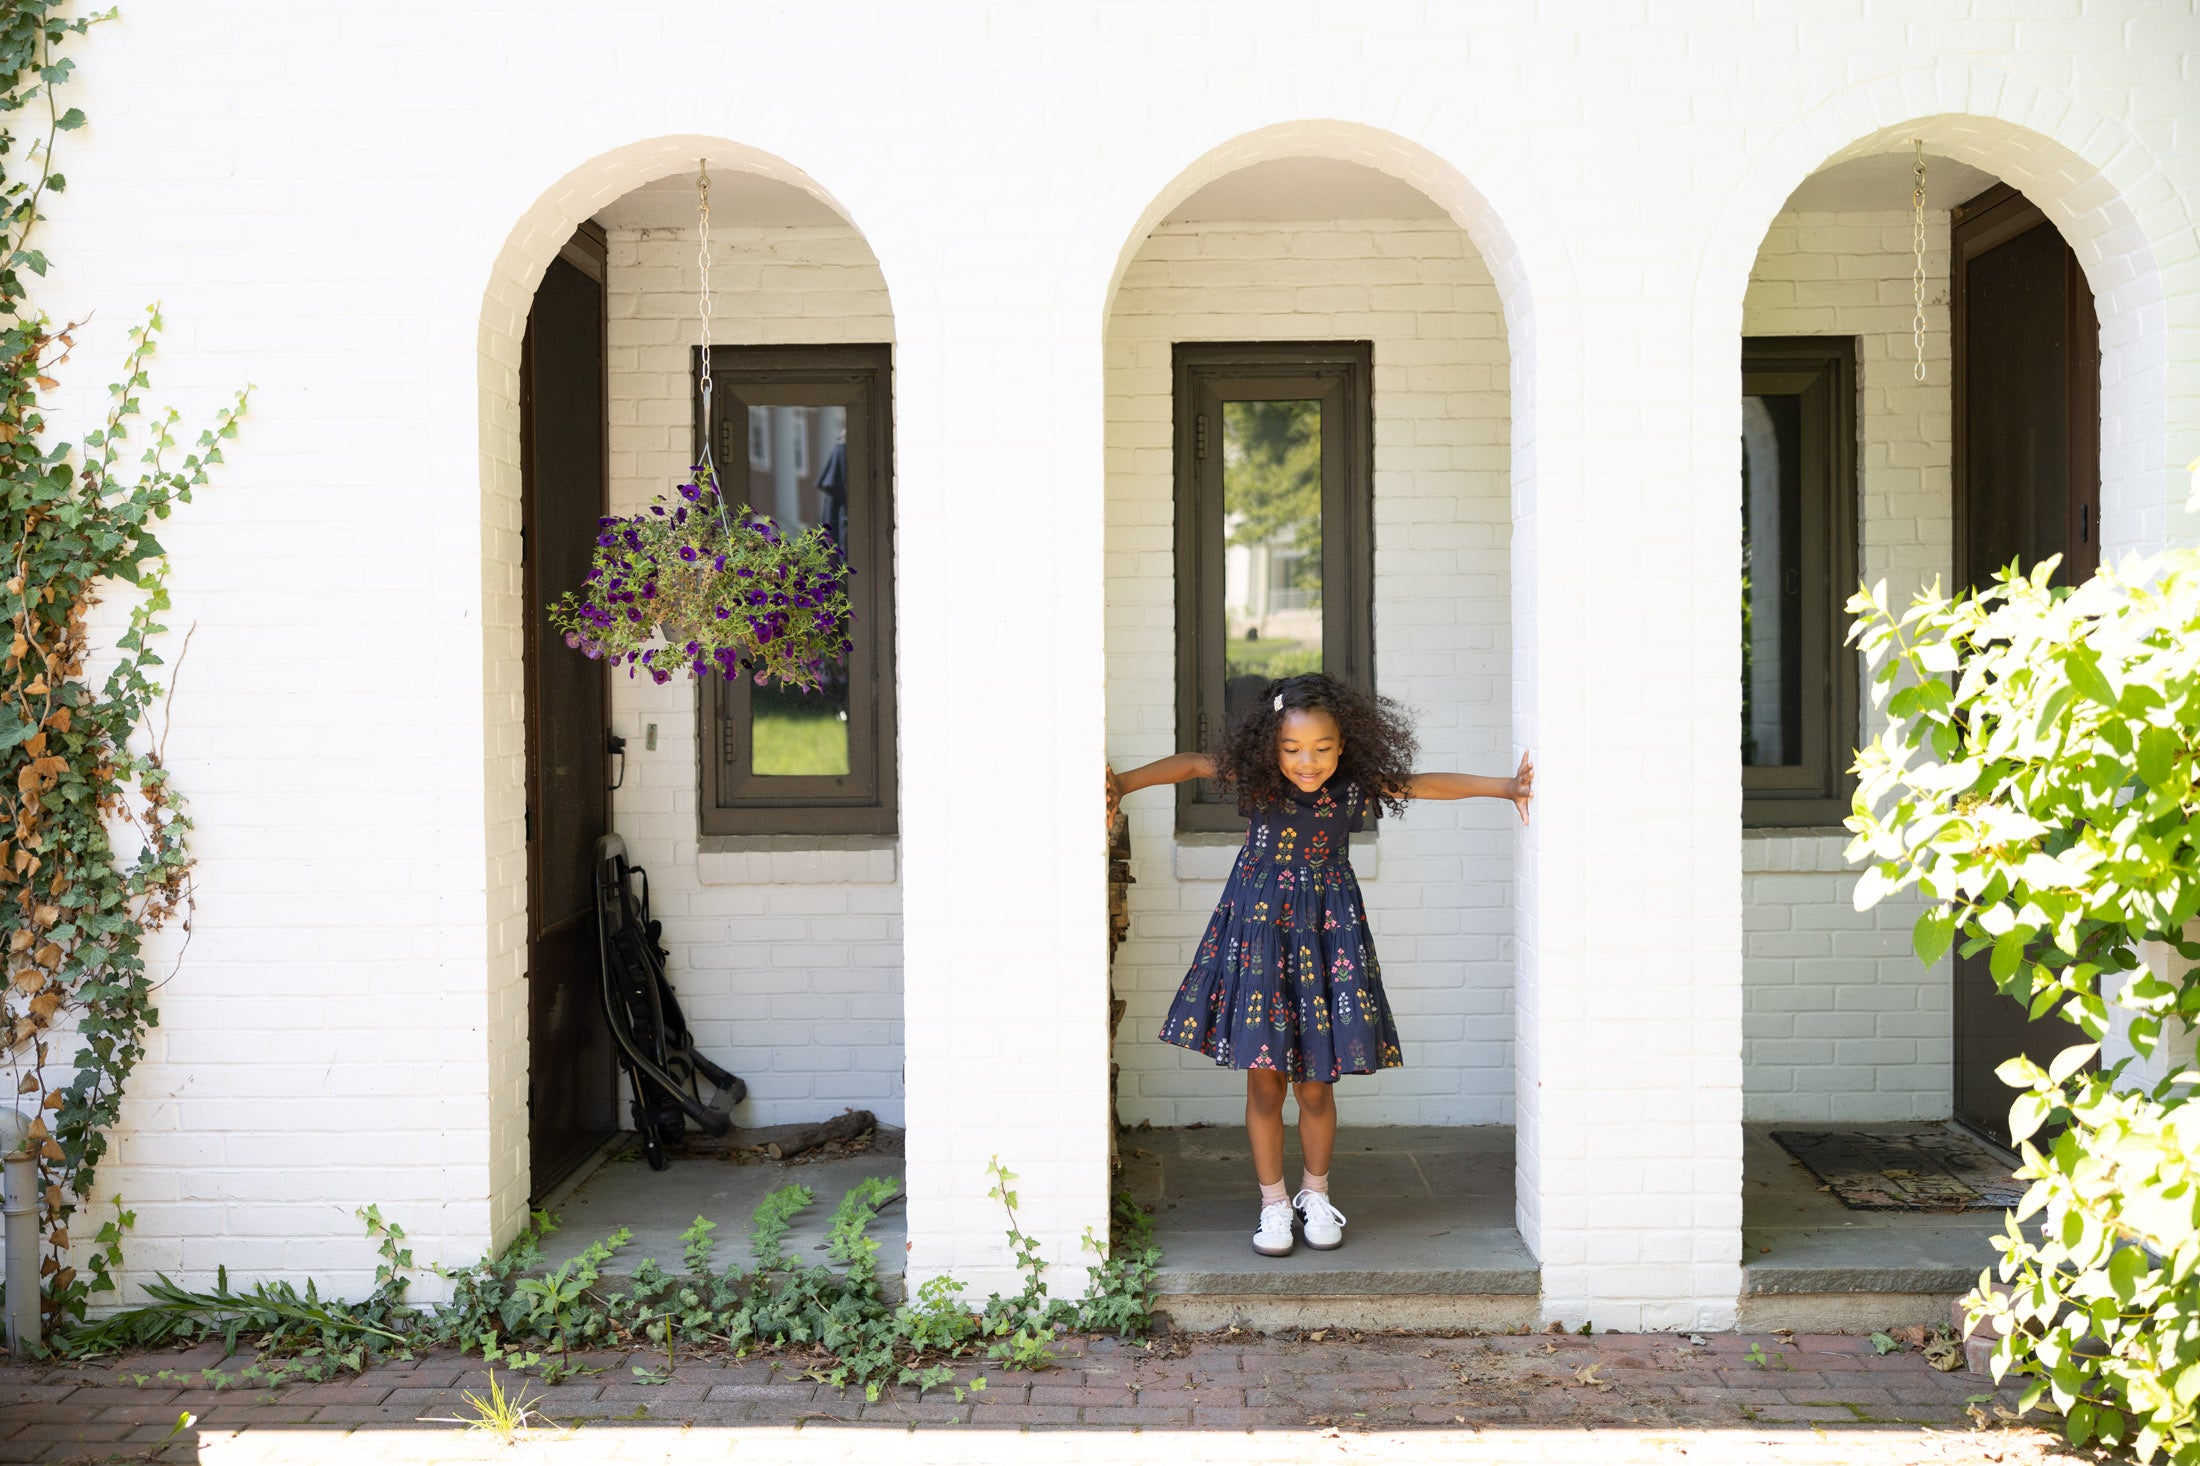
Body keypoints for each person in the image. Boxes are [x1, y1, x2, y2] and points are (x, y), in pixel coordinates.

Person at [1105, 673, 1533, 1258]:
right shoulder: (1256, 782)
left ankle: (1314, 1194)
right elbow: (1191, 766)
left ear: (1345, 744)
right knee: (1264, 1079)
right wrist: (1122, 784)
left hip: (1327, 937)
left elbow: (1426, 784)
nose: (1307, 763)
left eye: (1323, 749)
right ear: (1268, 747)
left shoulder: (1354, 789)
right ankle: (1273, 1204)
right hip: (1257, 934)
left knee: (1315, 1085)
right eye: (1291, 750)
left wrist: (1506, 787)